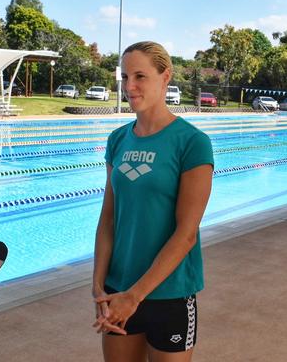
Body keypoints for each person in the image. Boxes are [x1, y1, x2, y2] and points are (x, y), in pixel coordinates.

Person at [92, 41, 214, 361]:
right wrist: (98, 287)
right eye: (125, 77)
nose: (129, 86)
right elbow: (108, 219)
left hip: (170, 294)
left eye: (140, 76)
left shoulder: (192, 143)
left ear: (165, 77)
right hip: (118, 290)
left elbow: (186, 233)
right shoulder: (118, 139)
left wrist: (136, 296)